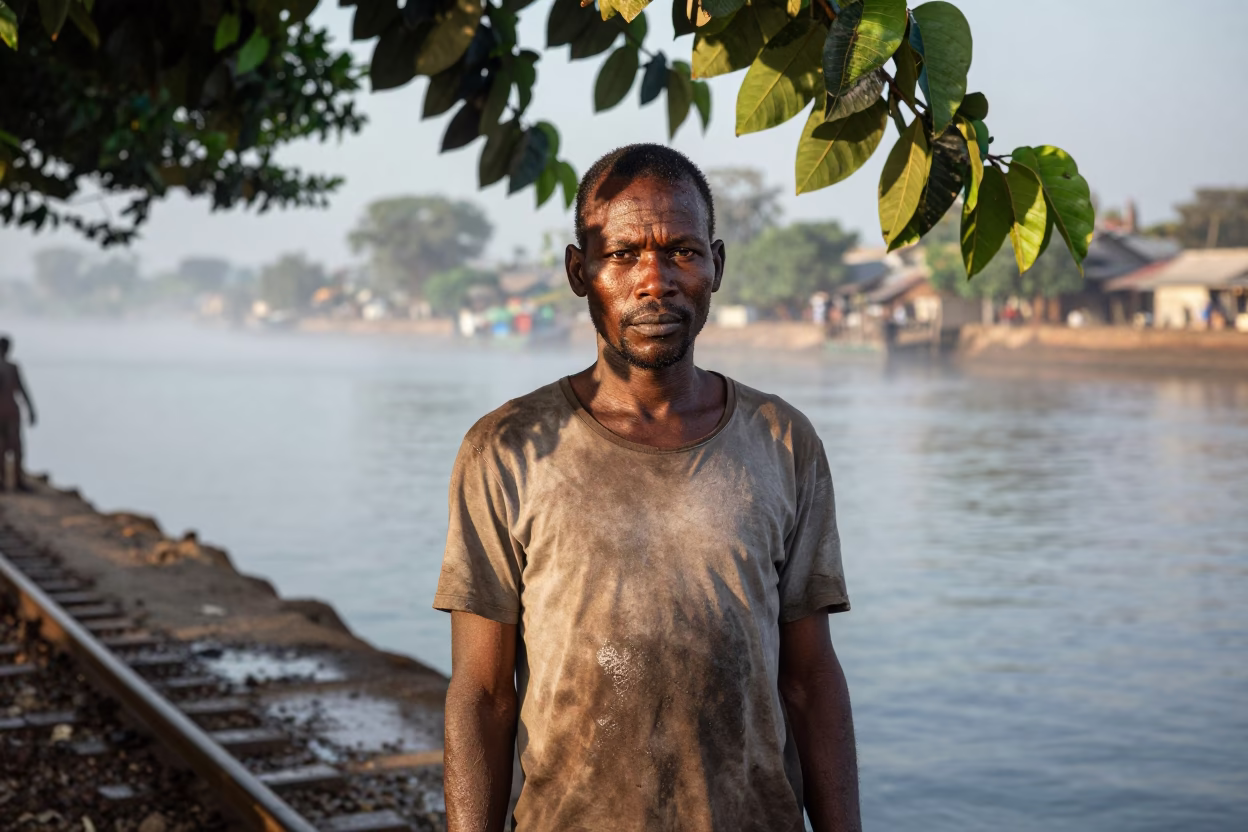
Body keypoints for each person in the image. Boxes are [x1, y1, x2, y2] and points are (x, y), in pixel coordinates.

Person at [434, 145, 858, 832]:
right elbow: (482, 694)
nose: (654, 279)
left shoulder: (782, 442)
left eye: (682, 252)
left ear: (717, 265)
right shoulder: (508, 448)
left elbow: (811, 682)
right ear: (580, 272)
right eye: (623, 254)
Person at [0, 336, 37, 492]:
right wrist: (31, 410)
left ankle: (3, 481)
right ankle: (17, 480)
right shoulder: (12, 367)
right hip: (11, 412)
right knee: (16, 448)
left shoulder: (11, 367)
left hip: (7, 412)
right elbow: (22, 390)